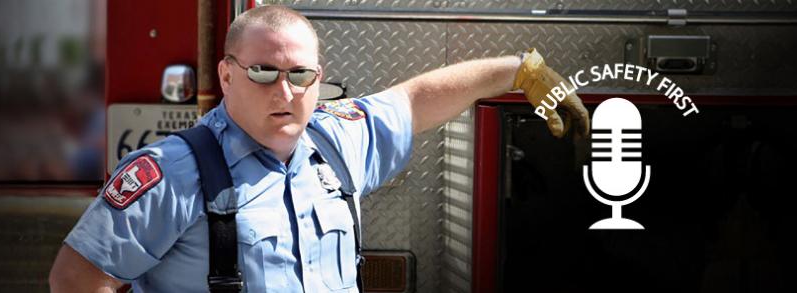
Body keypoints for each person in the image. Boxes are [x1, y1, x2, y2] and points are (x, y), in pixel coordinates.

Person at [48, 5, 589, 293]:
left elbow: (415, 97)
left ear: (318, 78)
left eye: (299, 74)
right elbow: (76, 279)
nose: (284, 92)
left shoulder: (338, 139)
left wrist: (519, 70)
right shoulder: (170, 173)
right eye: (263, 72)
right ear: (227, 75)